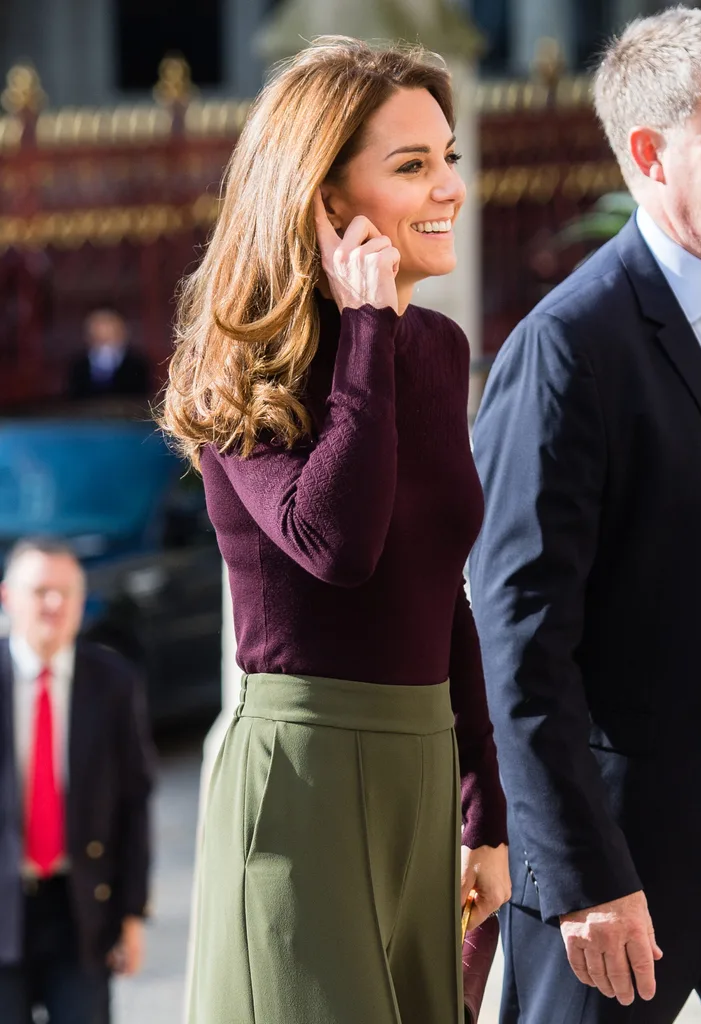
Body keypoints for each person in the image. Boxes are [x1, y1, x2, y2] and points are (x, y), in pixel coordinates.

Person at [160, 37, 510, 1024]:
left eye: (448, 157)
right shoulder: (242, 362)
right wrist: (364, 330)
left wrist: (487, 810)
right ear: (323, 197)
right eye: (412, 165)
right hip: (301, 780)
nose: (450, 187)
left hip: (422, 771)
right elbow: (336, 545)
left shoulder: (437, 348)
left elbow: (441, 589)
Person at [469, 7, 701, 1023]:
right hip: (621, 868)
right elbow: (520, 641)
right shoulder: (566, 347)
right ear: (649, 155)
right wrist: (583, 875)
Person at [0, 537, 155, 1024]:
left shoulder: (112, 681)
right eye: (40, 591)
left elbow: (134, 800)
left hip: (80, 909)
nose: (54, 604)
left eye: (66, 592)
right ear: (8, 597)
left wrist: (132, 913)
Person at [67, 308, 151, 400]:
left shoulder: (137, 364)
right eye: (99, 336)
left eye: (110, 334)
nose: (104, 337)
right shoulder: (78, 366)